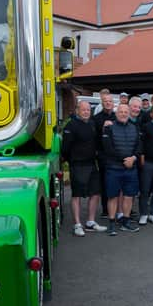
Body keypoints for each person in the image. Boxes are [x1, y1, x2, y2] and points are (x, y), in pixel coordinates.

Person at [62, 101, 107, 236]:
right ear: (78, 111)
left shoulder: (92, 123)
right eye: (83, 110)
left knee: (95, 193)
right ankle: (77, 224)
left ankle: (90, 222)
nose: (86, 112)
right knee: (77, 195)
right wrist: (69, 160)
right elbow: (65, 147)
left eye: (88, 110)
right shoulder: (71, 125)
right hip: (77, 164)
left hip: (91, 164)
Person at [102, 104, 140, 235]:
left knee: (129, 196)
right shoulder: (109, 128)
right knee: (112, 196)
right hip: (114, 168)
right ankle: (112, 223)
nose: (123, 114)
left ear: (129, 113)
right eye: (121, 112)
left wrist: (133, 158)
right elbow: (108, 148)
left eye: (125, 112)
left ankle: (126, 221)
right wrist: (125, 160)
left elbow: (139, 147)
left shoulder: (134, 128)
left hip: (131, 169)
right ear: (116, 113)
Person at [92, 89, 116, 218]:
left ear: (113, 103)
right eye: (106, 101)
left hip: (116, 155)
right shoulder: (96, 118)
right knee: (105, 181)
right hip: (103, 155)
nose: (108, 103)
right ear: (102, 103)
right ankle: (106, 209)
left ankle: (116, 208)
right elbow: (93, 137)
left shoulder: (117, 116)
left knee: (116, 181)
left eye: (110, 101)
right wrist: (103, 128)